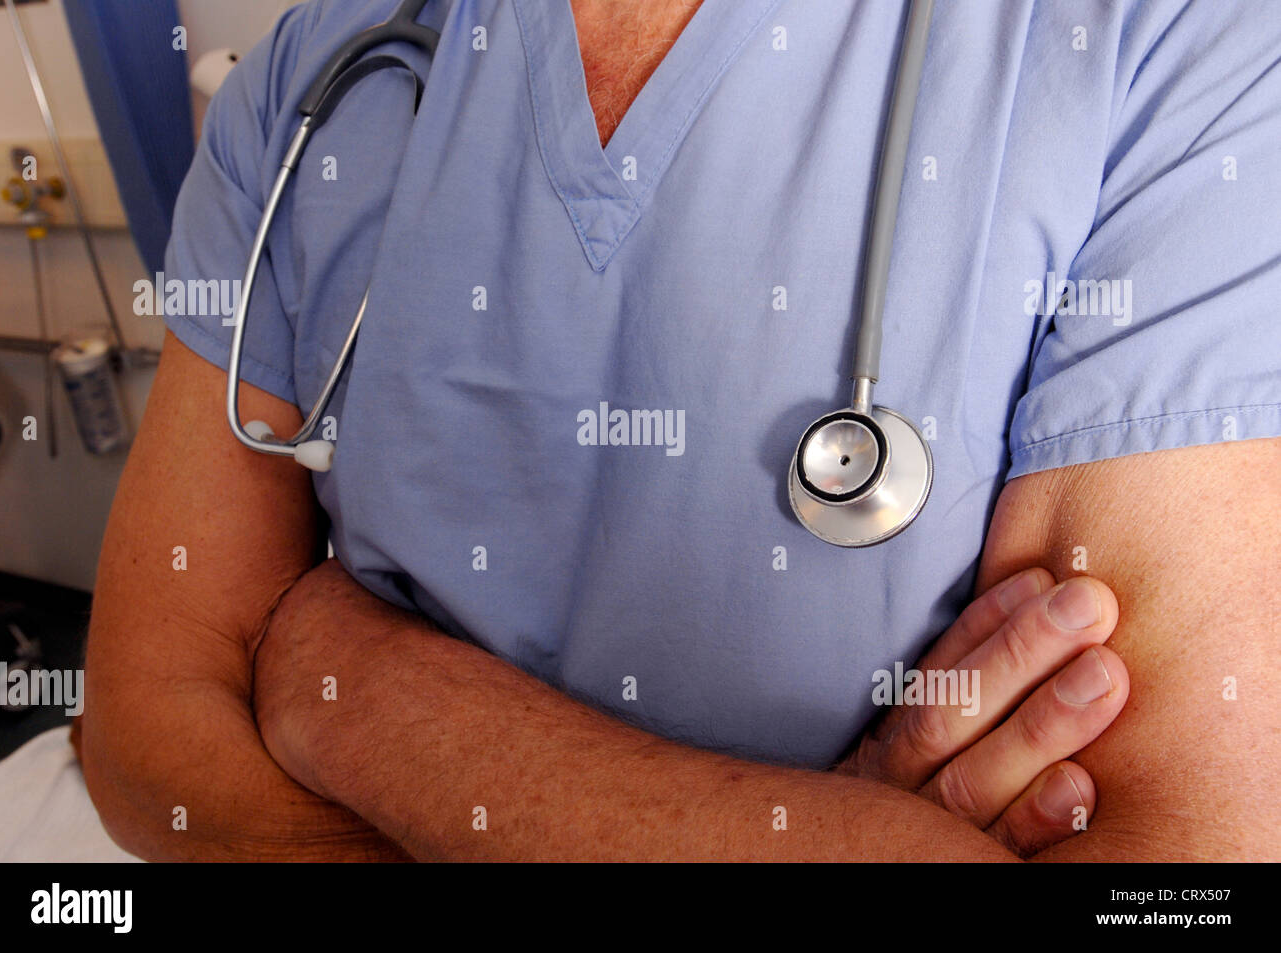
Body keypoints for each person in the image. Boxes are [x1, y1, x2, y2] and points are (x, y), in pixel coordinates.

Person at [80, 0, 1280, 860]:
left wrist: (356, 691)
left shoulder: (1172, 49)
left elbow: (1177, 868)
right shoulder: (313, 74)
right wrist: (824, 834)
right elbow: (145, 737)